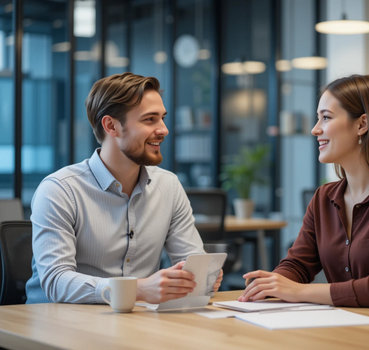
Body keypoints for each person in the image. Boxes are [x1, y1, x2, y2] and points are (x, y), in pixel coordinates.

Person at [239, 74, 369, 314]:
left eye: (326, 118)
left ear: (362, 125)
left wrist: (296, 291)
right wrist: (272, 284)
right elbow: (298, 265)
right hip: (355, 326)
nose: (314, 129)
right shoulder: (323, 198)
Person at [26, 72, 222, 304]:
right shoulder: (60, 190)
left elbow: (191, 260)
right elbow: (56, 282)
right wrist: (136, 289)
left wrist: (200, 277)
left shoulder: (168, 185)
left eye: (163, 118)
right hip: (58, 324)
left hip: (135, 321)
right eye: (150, 119)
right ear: (111, 126)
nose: (163, 129)